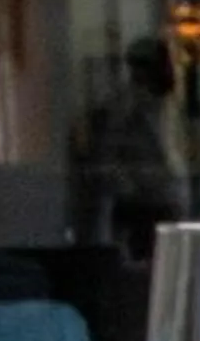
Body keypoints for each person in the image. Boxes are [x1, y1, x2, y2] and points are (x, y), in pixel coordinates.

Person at [69, 38, 185, 257]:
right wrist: (128, 186)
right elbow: (107, 153)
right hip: (141, 203)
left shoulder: (164, 105)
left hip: (162, 198)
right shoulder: (124, 107)